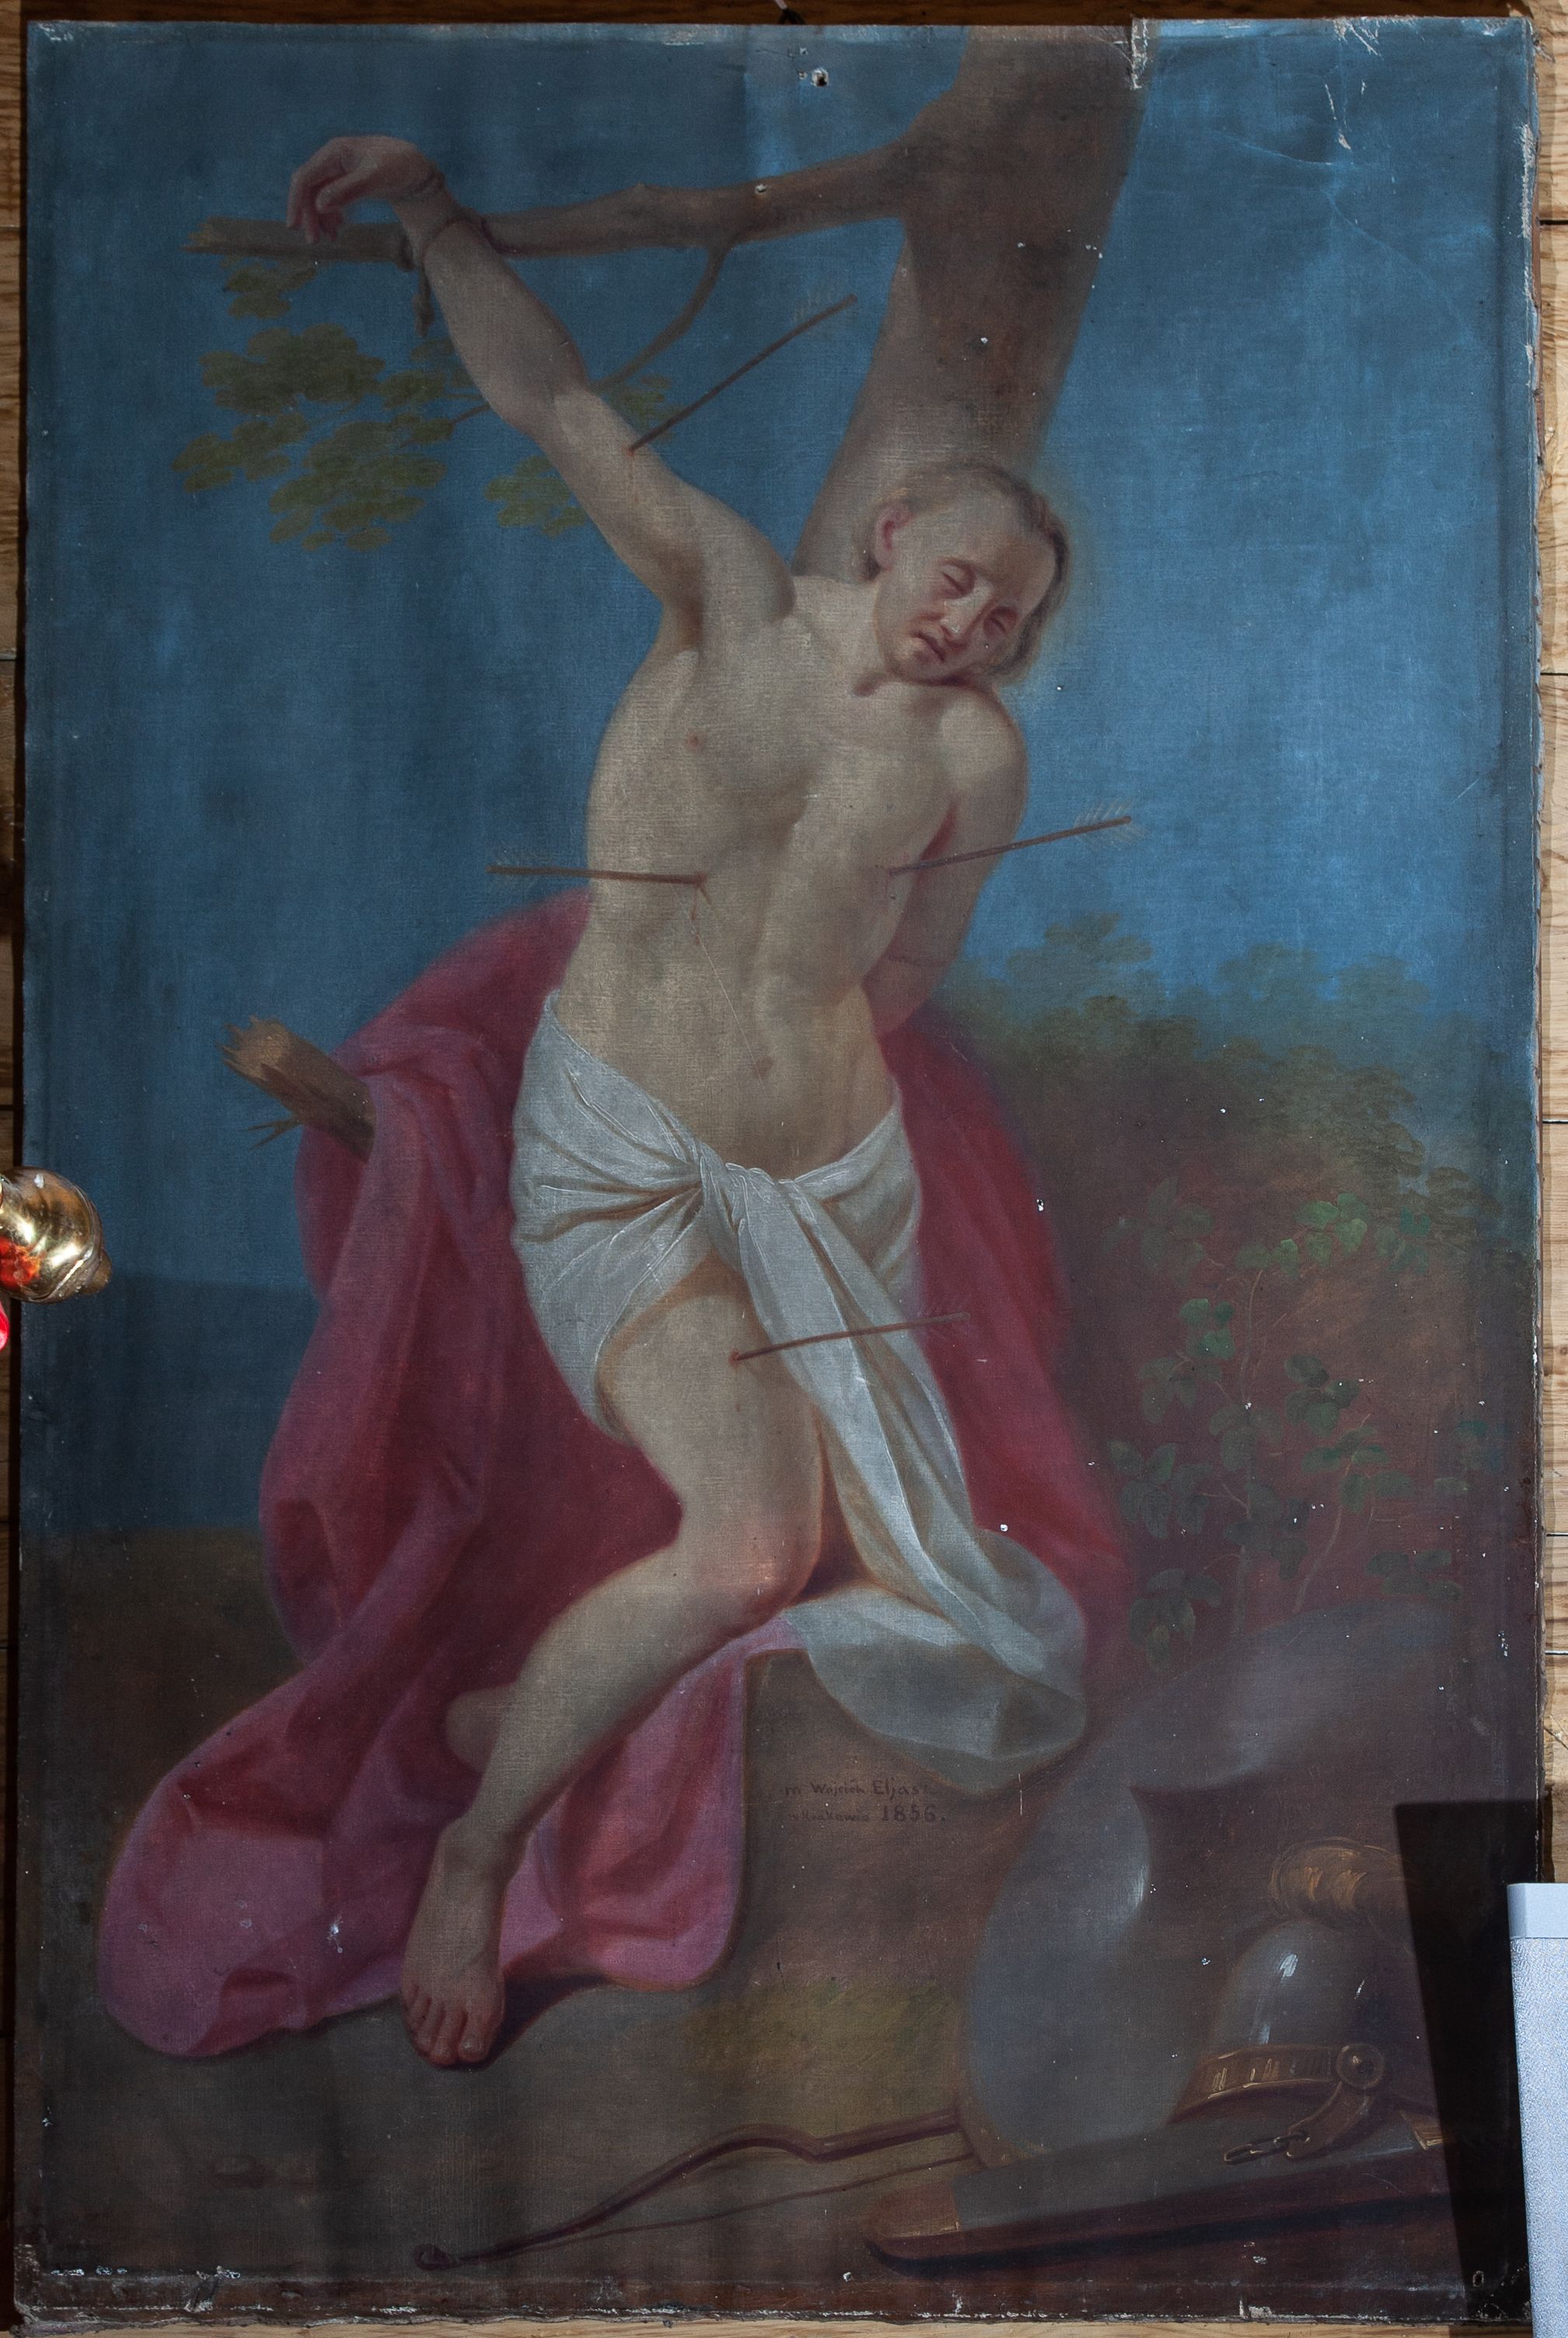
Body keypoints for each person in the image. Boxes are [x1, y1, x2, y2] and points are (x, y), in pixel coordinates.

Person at [286, 135, 1092, 2071]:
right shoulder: (721, 586)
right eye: (959, 581)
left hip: (824, 1182)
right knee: (747, 1548)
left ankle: (535, 1722)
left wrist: (801, 1095)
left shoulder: (972, 757)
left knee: (865, 1569)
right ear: (891, 532)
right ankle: (481, 1851)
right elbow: (552, 399)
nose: (970, 627)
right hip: (624, 1160)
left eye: (1005, 618)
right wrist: (434, 218)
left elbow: (913, 963)